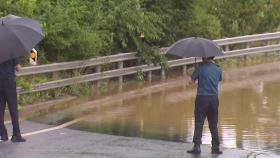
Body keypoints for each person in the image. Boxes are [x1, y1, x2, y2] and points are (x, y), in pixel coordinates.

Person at [187, 56, 222, 155]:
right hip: (214, 99)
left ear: (204, 58)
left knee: (199, 123)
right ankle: (216, 147)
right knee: (213, 124)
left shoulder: (200, 68)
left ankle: (197, 147)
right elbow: (219, 79)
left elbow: (191, 82)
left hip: (202, 98)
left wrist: (193, 74)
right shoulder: (218, 68)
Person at [0, 58, 26, 142]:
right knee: (13, 109)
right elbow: (18, 68)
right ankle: (16, 135)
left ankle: (3, 134)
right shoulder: (12, 51)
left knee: (0, 109)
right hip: (9, 82)